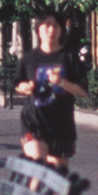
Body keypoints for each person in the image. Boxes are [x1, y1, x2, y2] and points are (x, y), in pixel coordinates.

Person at [12, 10, 88, 170]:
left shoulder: (69, 57)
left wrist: (61, 82)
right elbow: (17, 83)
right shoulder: (29, 58)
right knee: (37, 169)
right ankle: (32, 194)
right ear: (38, 29)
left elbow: (83, 91)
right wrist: (25, 87)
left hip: (62, 126)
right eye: (47, 25)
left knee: (56, 179)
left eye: (56, 26)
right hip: (34, 122)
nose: (52, 30)